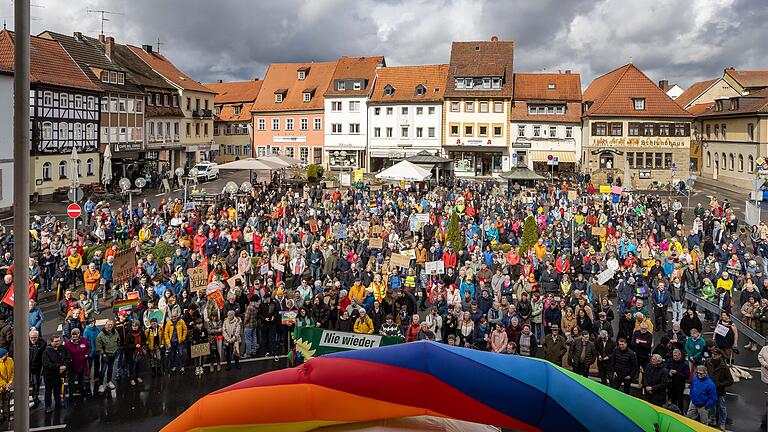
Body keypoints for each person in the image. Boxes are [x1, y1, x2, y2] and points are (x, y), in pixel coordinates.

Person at [705, 349, 733, 430]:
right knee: (712, 406)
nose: (713, 355)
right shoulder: (708, 362)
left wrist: (720, 384)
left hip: (720, 391)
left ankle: (722, 423)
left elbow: (730, 380)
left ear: (720, 355)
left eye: (715, 354)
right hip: (710, 390)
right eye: (712, 354)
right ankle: (712, 419)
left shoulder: (724, 367)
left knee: (722, 408)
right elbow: (705, 372)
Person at [42, 335, 70, 413]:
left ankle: (58, 402)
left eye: (59, 341)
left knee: (57, 389)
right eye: (56, 341)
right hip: (49, 375)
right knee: (48, 391)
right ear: (51, 342)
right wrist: (59, 367)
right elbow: (46, 364)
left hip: (60, 374)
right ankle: (48, 406)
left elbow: (68, 357)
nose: (58, 342)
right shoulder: (47, 351)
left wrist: (65, 366)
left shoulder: (63, 348)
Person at [63, 327, 90, 398]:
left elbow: (89, 347)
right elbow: (64, 354)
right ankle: (71, 394)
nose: (74, 336)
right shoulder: (67, 344)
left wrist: (87, 354)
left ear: (79, 334)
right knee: (71, 382)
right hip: (72, 366)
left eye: (76, 334)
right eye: (73, 334)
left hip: (82, 365)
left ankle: (82, 391)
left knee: (81, 380)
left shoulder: (84, 340)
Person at [95, 319, 120, 393]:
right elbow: (98, 346)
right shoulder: (101, 335)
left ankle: (109, 382)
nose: (110, 326)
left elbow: (118, 340)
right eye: (108, 325)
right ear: (105, 325)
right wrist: (103, 354)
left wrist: (117, 349)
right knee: (103, 370)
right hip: (105, 355)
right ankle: (101, 385)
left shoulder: (115, 332)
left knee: (111, 369)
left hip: (113, 354)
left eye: (111, 325)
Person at [666, 348, 690, 413]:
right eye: (674, 355)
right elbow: (665, 369)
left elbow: (686, 376)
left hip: (680, 385)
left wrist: (676, 373)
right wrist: (669, 372)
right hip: (671, 385)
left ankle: (681, 412)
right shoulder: (670, 361)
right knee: (672, 400)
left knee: (680, 401)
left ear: (680, 355)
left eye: (677, 355)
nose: (675, 357)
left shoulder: (685, 363)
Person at [29, 329, 46, 408]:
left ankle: (35, 398)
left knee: (36, 383)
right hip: (27, 367)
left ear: (38, 337)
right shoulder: (25, 343)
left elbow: (44, 356)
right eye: (31, 338)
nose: (33, 339)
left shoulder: (42, 344)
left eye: (34, 338)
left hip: (37, 367)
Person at [0, 348, 12, 421]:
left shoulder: (10, 360)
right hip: (1, 386)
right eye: (5, 354)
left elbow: (12, 372)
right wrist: (5, 385)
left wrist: (10, 383)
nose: (7, 355)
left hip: (7, 386)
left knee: (6, 401)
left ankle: (6, 416)